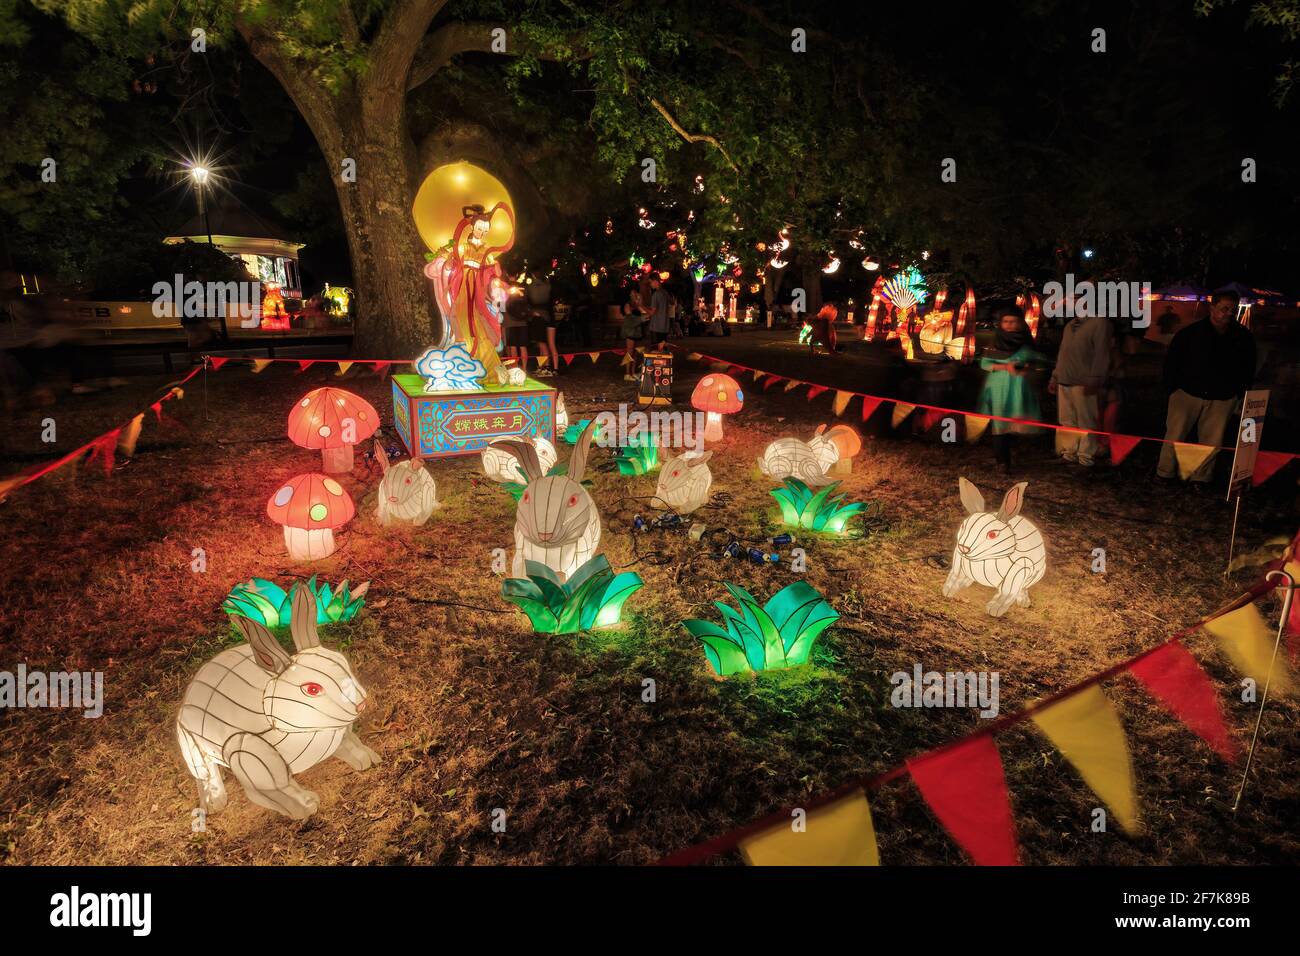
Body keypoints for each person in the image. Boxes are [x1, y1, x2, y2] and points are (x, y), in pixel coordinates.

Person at [1156, 290, 1256, 483]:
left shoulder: (1243, 337)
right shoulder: (1189, 334)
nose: (1228, 313)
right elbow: (1172, 362)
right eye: (1224, 309)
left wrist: (1240, 393)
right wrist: (1171, 389)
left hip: (1222, 396)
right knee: (1174, 435)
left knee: (1211, 442)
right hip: (1187, 392)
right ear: (1212, 308)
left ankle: (1201, 477)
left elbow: (1247, 367)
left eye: (1233, 310)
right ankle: (1165, 472)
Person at [977, 306, 1047, 470]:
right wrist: (1005, 367)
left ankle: (1013, 455)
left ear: (1020, 324)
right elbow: (984, 363)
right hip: (999, 387)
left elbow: (1039, 361)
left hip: (1018, 388)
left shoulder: (1026, 343)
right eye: (1005, 322)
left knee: (1016, 422)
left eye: (1013, 321)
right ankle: (1002, 462)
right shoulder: (995, 342)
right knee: (1000, 424)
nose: (1009, 325)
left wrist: (1028, 368)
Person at [1047, 301, 1113, 467]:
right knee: (1067, 419)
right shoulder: (1070, 325)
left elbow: (1101, 353)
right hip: (1065, 378)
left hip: (1084, 380)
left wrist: (1096, 377)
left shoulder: (1099, 323)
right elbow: (1063, 353)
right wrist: (1055, 376)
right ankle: (1069, 453)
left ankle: (1086, 457)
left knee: (1086, 420)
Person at [620, 290, 649, 381]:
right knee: (629, 352)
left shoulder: (637, 306)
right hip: (630, 332)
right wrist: (641, 318)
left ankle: (633, 373)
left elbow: (646, 315)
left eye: (636, 293)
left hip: (637, 332)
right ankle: (627, 373)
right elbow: (631, 320)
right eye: (632, 293)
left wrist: (640, 304)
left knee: (635, 353)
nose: (634, 295)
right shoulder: (627, 305)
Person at [502, 292, 532, 373]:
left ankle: (515, 368)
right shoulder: (522, 298)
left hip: (510, 325)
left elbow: (501, 310)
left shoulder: (504, 299)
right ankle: (524, 368)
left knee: (513, 347)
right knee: (522, 347)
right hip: (522, 324)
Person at [648, 276, 671, 349]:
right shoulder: (665, 293)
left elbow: (652, 312)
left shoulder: (656, 294)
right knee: (663, 350)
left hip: (656, 327)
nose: (650, 284)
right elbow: (672, 303)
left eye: (650, 282)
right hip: (665, 326)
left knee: (655, 351)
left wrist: (641, 306)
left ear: (656, 282)